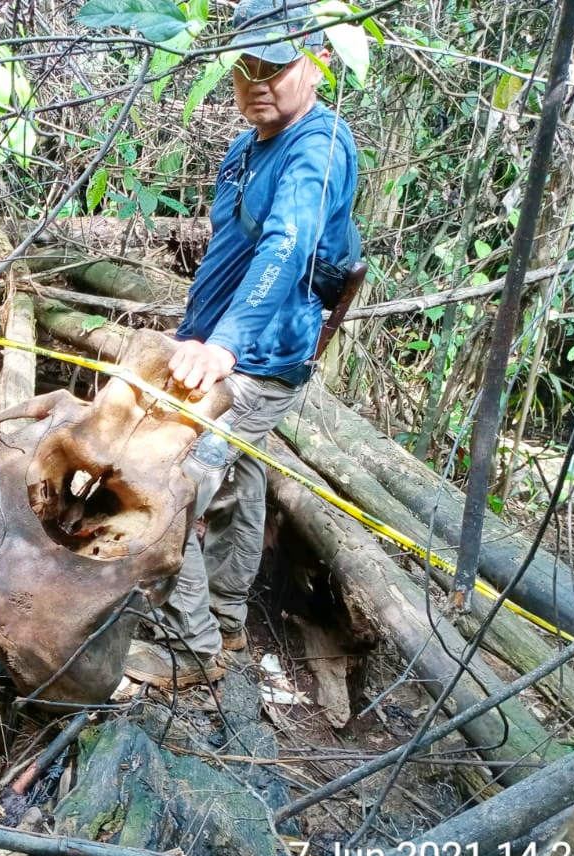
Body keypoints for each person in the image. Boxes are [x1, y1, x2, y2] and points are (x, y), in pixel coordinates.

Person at [124, 0, 360, 688]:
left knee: (172, 480)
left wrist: (223, 347)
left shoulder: (320, 144)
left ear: (315, 64)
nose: (257, 79)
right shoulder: (243, 148)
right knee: (241, 469)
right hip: (225, 342)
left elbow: (288, 245)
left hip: (266, 354)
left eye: (275, 64)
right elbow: (229, 250)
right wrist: (192, 336)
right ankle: (225, 611)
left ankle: (191, 645)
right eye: (245, 65)